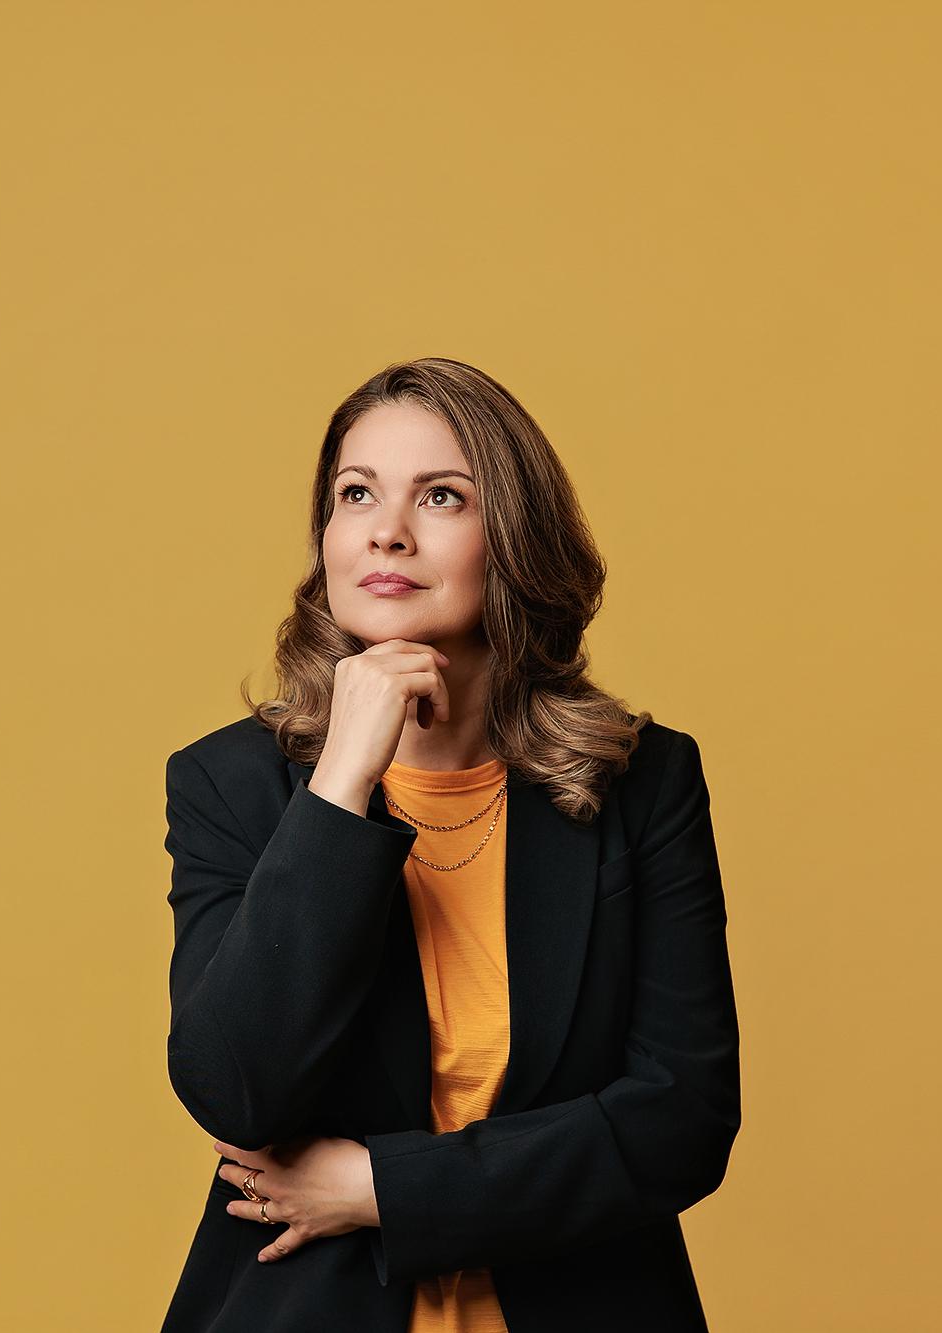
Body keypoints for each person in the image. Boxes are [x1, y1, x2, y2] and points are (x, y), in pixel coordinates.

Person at [159, 357, 741, 1332]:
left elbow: (680, 1121)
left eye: (440, 495)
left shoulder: (641, 783)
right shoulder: (232, 785)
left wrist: (383, 1185)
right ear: (326, 539)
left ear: (511, 535)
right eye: (355, 495)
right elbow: (234, 1088)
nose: (387, 528)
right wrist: (339, 785)